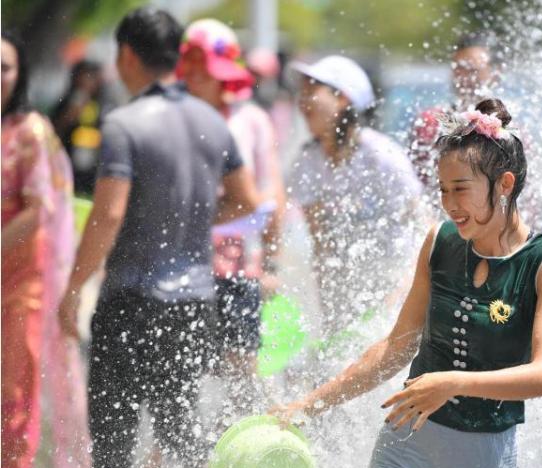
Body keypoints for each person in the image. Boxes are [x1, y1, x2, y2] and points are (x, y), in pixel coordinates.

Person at [273, 99, 542, 468]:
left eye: (460, 190)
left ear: (504, 184)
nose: (449, 205)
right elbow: (395, 350)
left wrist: (453, 383)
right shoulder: (440, 242)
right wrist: (310, 404)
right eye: (442, 190)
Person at [57, 8, 260, 468]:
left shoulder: (123, 123)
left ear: (127, 55)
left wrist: (75, 287)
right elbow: (247, 199)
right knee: (179, 420)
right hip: (195, 300)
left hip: (130, 297)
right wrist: (191, 223)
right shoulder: (212, 121)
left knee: (115, 421)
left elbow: (108, 214)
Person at [1, 31, 92, 468]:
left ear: (22, 76)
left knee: (16, 393)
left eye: (7, 68)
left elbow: (39, 209)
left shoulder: (30, 130)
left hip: (21, 280)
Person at [177, 18, 285, 395]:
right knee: (181, 373)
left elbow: (271, 192)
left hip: (240, 265)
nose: (197, 79)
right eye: (190, 70)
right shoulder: (178, 118)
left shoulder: (251, 119)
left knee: (242, 371)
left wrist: (272, 261)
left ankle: (241, 449)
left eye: (204, 71)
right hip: (184, 264)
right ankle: (166, 454)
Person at [288, 54, 423, 338]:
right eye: (302, 91)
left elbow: (424, 225)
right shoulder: (308, 162)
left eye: (313, 90)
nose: (303, 100)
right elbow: (320, 244)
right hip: (348, 286)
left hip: (393, 281)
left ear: (342, 99)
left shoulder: (380, 156)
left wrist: (404, 292)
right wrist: (329, 310)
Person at [410, 33, 499, 188]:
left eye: (473, 70)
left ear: (494, 75)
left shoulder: (509, 132)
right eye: (460, 69)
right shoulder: (431, 123)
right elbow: (414, 186)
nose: (465, 77)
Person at [51, 60, 108, 196]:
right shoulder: (66, 102)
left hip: (91, 168)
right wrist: (68, 116)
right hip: (67, 165)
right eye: (83, 76)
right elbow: (52, 134)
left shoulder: (102, 106)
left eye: (91, 77)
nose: (86, 81)